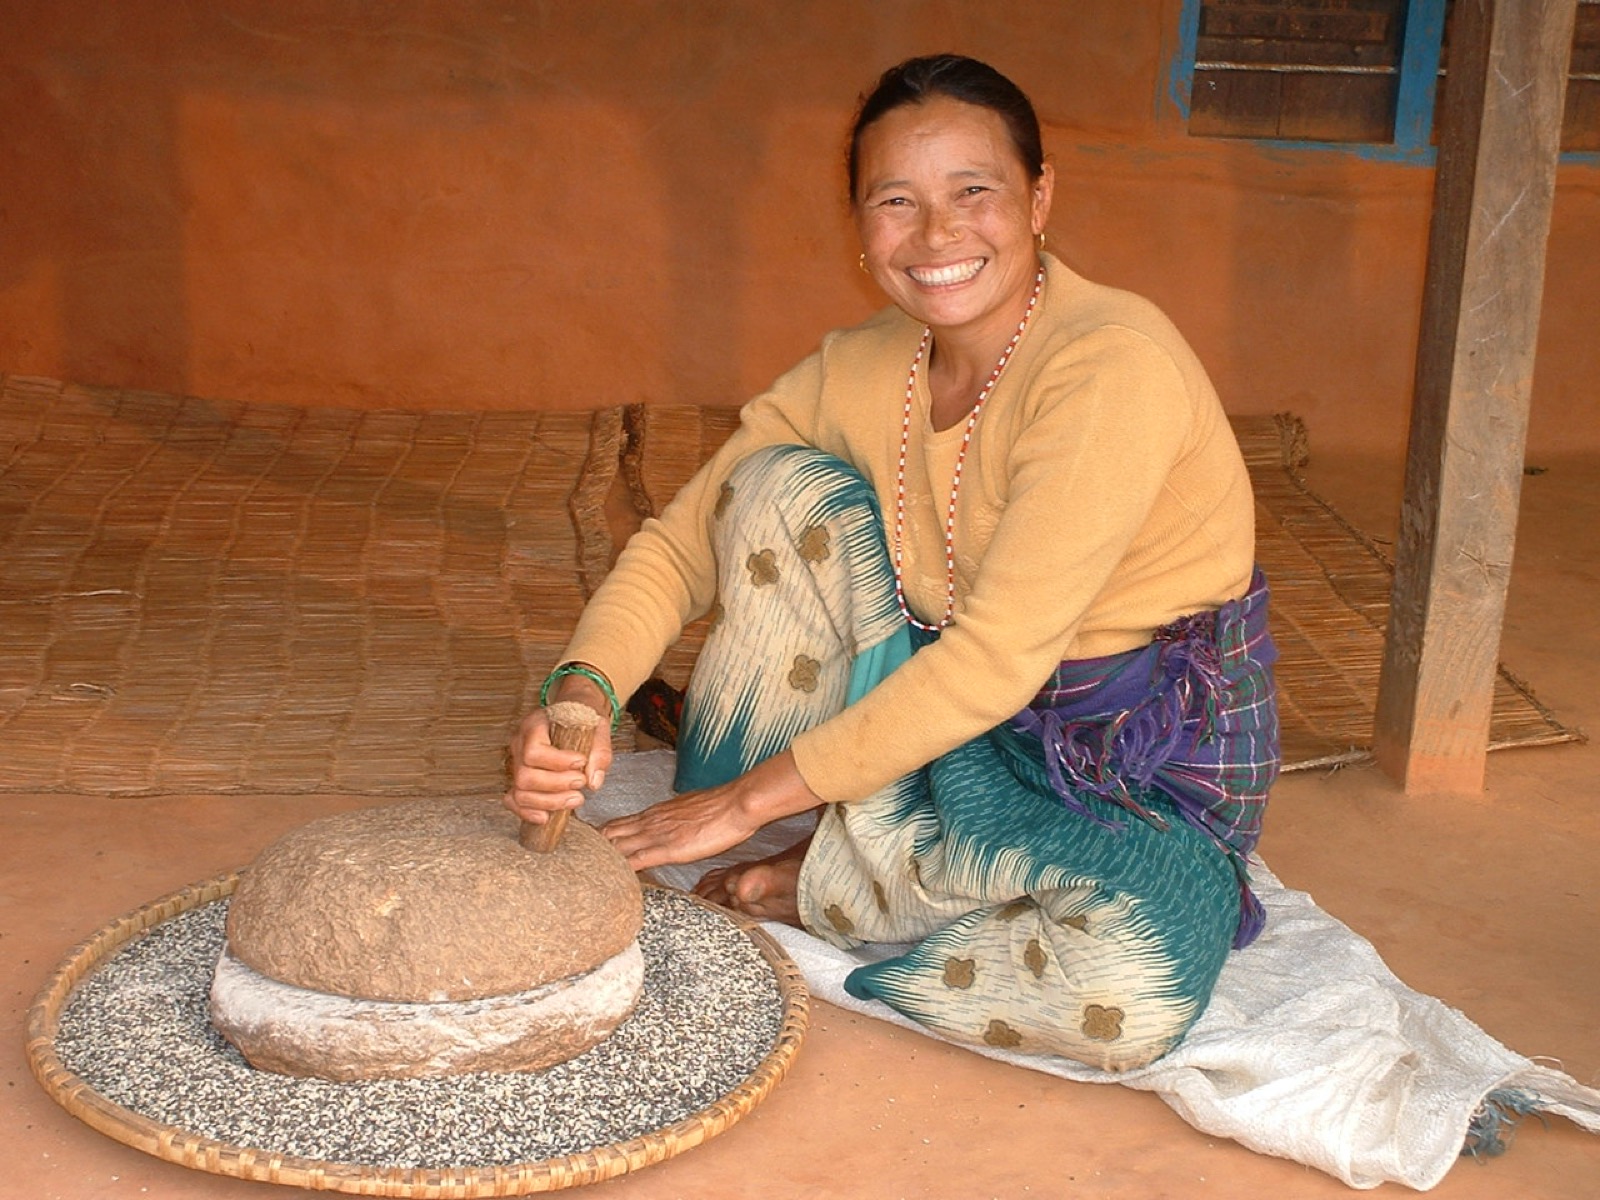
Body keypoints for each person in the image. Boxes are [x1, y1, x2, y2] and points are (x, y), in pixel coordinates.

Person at [507, 54, 1279, 1071]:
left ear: (1039, 196)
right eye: (896, 202)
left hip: (1122, 762)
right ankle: (884, 856)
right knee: (777, 488)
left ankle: (835, 877)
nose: (937, 235)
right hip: (941, 717)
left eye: (975, 193)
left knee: (1123, 993)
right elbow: (684, 541)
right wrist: (579, 697)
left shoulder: (1109, 364)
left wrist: (741, 807)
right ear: (858, 223)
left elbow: (999, 656)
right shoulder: (866, 364)